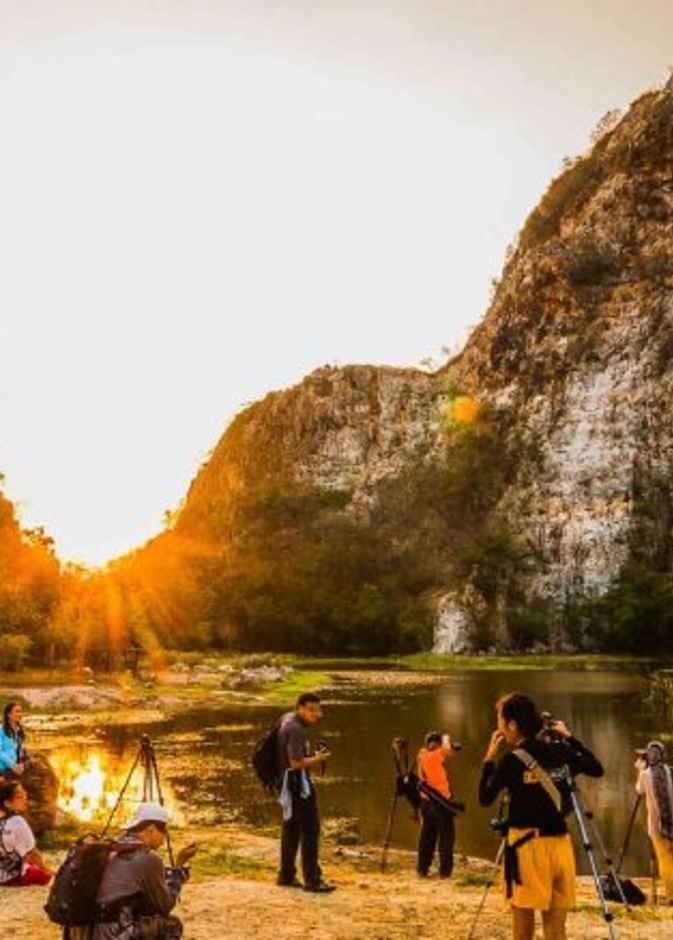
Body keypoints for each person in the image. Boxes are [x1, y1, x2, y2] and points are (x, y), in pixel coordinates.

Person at [479, 692, 604, 940]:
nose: (499, 726)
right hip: (561, 847)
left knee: (523, 928)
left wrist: (489, 759)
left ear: (513, 725)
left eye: (500, 721)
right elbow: (596, 768)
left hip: (527, 847)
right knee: (556, 930)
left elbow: (485, 798)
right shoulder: (561, 753)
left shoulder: (512, 761)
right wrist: (570, 737)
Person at [69, 801, 197, 939]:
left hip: (79, 933)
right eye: (164, 831)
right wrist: (178, 869)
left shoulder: (112, 848)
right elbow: (164, 905)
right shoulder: (148, 858)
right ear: (151, 830)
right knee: (171, 925)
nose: (164, 838)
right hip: (108, 935)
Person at [276, 691, 335, 893]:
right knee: (311, 829)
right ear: (299, 707)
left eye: (318, 710)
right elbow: (296, 762)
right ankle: (312, 880)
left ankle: (286, 875)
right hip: (296, 783)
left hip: (287, 781)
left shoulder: (287, 719)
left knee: (291, 829)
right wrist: (319, 758)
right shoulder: (296, 729)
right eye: (311, 710)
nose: (316, 714)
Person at [635, 740, 673, 902]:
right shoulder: (668, 770)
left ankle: (672, 895)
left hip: (658, 826)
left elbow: (639, 790)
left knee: (665, 859)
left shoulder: (646, 774)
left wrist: (639, 769)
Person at [416, 731, 457, 878]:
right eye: (439, 745)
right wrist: (446, 737)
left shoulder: (422, 754)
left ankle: (422, 869)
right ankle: (445, 873)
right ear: (435, 744)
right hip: (440, 804)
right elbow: (447, 750)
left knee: (427, 837)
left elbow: (448, 751)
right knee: (446, 838)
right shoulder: (433, 757)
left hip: (426, 804)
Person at [0, 780, 53, 886]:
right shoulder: (18, 821)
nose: (25, 798)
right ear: (7, 803)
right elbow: (33, 852)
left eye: (25, 794)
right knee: (45, 876)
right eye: (20, 796)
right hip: (12, 878)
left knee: (27, 861)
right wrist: (45, 869)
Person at [0, 702, 28, 780]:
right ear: (9, 714)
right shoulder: (1, 730)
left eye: (21, 711)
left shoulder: (19, 731)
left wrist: (21, 764)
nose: (20, 714)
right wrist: (12, 765)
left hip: (16, 766)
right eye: (17, 711)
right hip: (3, 768)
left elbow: (20, 752)